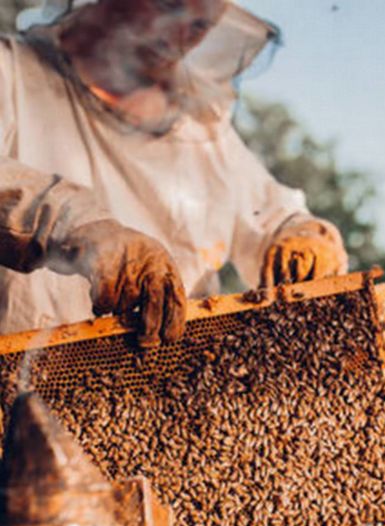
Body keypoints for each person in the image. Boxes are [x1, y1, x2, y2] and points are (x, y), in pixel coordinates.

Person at [0, 0, 348, 347]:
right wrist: (73, 223)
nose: (178, 36)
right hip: (20, 382)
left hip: (176, 385)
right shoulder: (11, 72)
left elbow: (269, 214)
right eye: (168, 6)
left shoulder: (201, 131)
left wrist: (301, 235)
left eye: (199, 26)